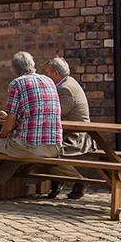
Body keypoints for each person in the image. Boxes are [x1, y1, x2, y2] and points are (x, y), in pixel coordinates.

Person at [0, 51, 63, 193]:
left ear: (13, 70)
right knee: (12, 153)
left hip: (28, 146)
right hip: (54, 147)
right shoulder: (49, 81)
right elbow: (35, 113)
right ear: (33, 65)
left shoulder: (17, 84)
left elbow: (9, 126)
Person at [46, 56, 95, 199]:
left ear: (56, 73)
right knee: (40, 148)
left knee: (44, 151)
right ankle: (58, 181)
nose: (45, 75)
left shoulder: (66, 89)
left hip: (77, 137)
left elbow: (55, 114)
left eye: (47, 72)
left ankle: (79, 181)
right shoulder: (65, 83)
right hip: (67, 133)